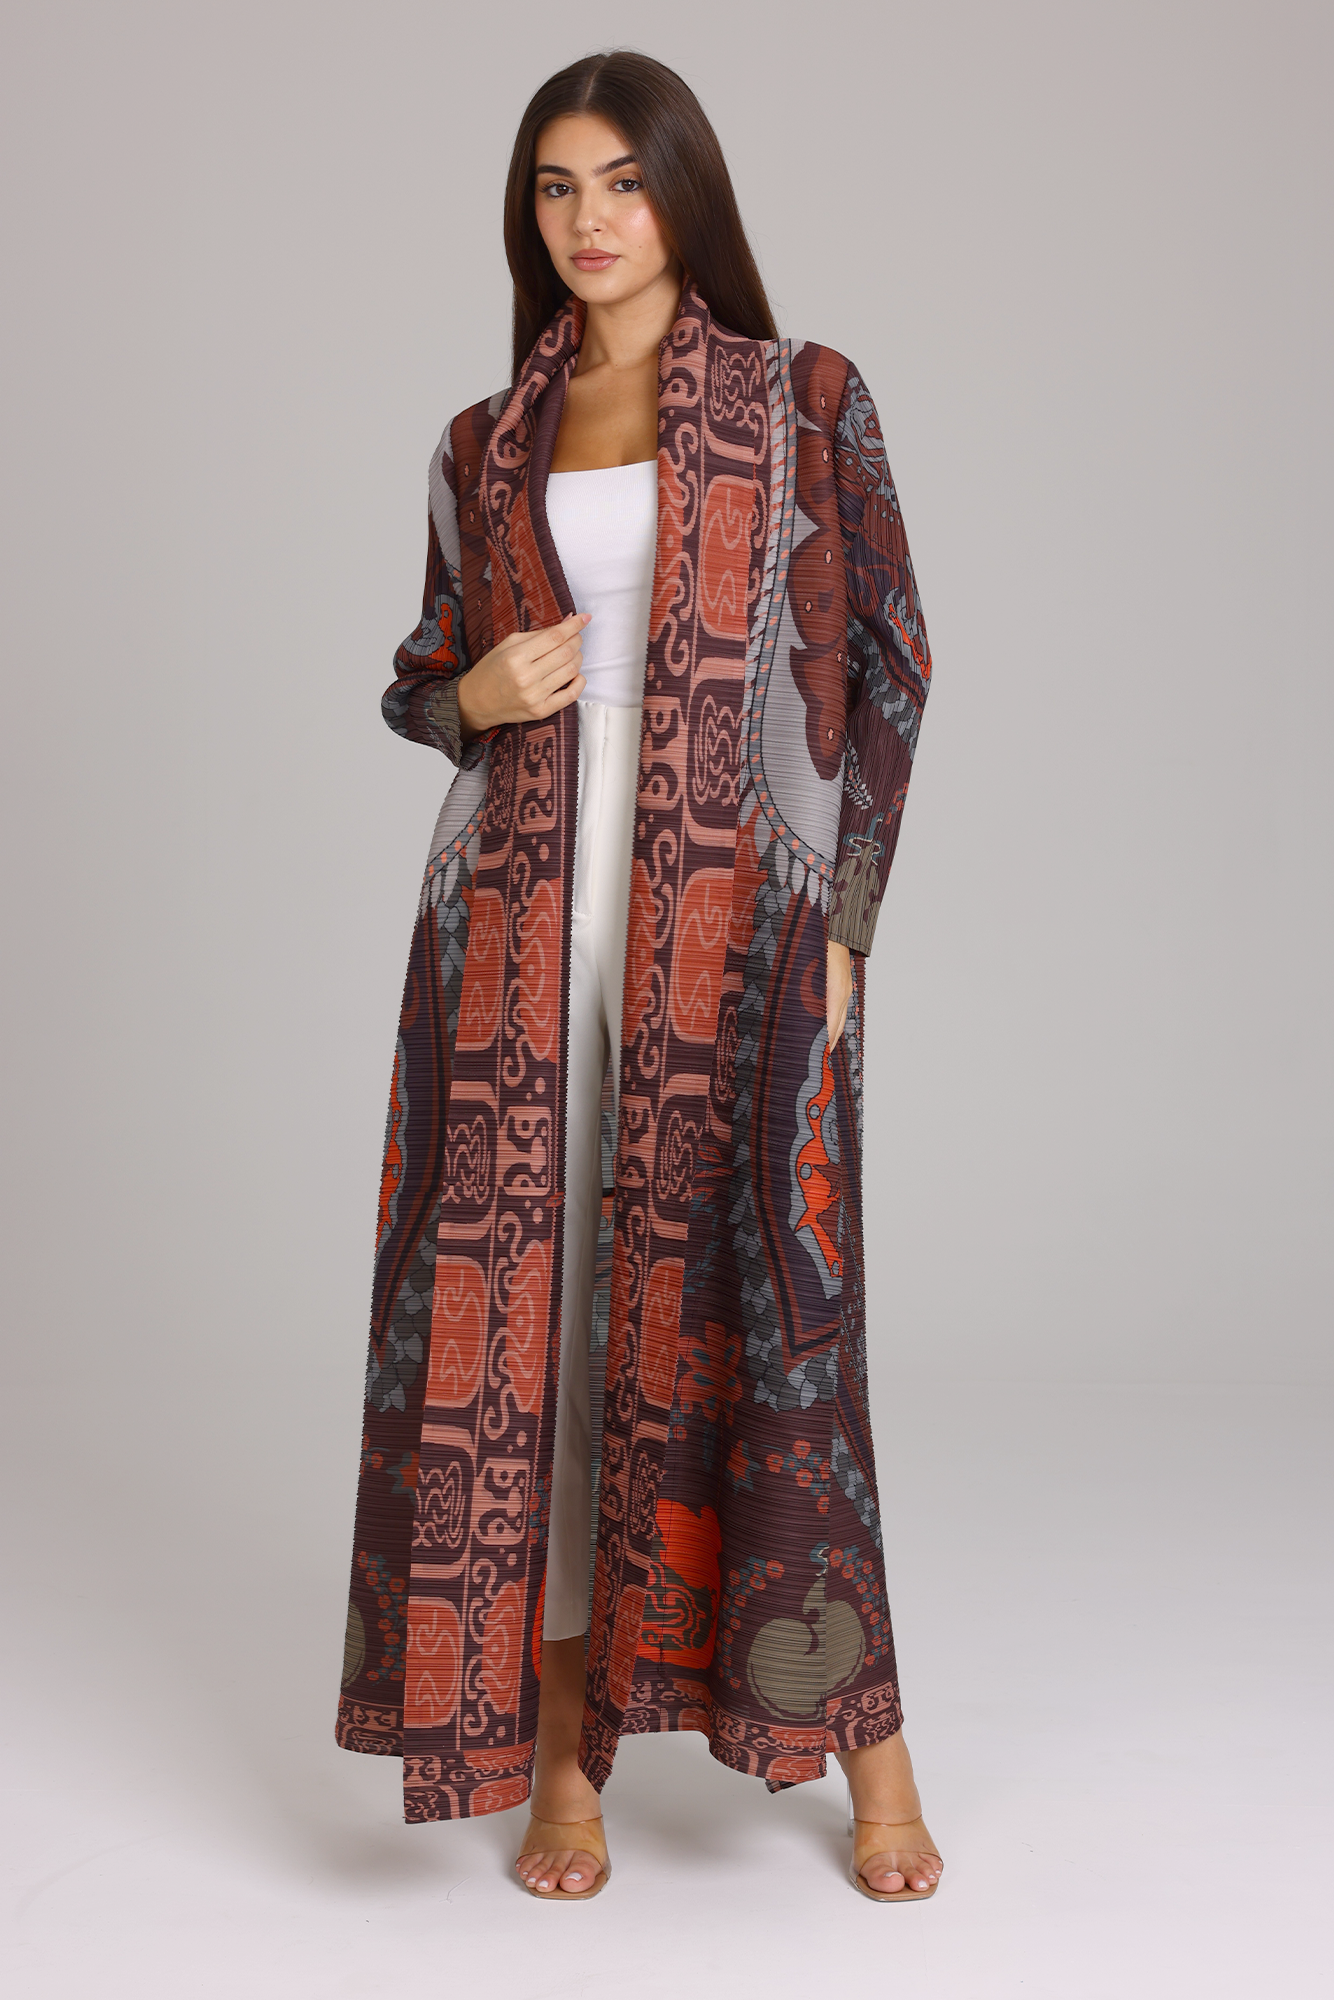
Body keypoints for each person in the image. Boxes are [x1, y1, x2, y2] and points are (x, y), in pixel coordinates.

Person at [336, 49, 942, 1906]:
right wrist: (471, 691)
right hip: (512, 938)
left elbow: (892, 664)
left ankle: (867, 1755)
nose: (587, 221)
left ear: (683, 194)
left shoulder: (803, 399)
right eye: (554, 188)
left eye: (619, 182)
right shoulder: (483, 439)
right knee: (531, 1349)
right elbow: (419, 680)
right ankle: (559, 1767)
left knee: (774, 1333)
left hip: (737, 937)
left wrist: (845, 926)